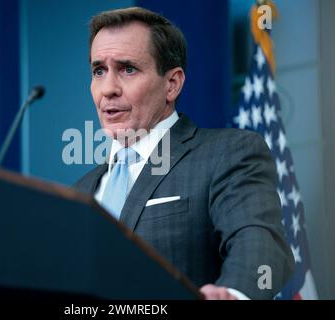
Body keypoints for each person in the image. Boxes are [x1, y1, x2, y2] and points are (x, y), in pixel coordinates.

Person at [74, 7, 294, 300]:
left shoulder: (227, 154)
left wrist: (235, 293)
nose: (108, 89)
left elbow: (260, 242)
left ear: (172, 84)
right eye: (99, 70)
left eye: (128, 69)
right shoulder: (80, 192)